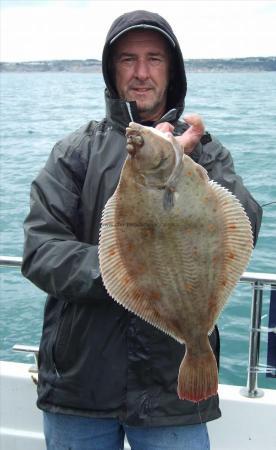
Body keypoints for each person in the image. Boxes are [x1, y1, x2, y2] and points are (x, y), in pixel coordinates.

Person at [21, 10, 262, 450]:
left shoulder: (205, 153)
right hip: (80, 386)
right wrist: (126, 270)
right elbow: (41, 251)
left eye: (154, 59)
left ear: (172, 71)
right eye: (128, 59)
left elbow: (246, 222)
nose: (141, 72)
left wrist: (197, 155)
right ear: (112, 71)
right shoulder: (75, 153)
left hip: (171, 390)